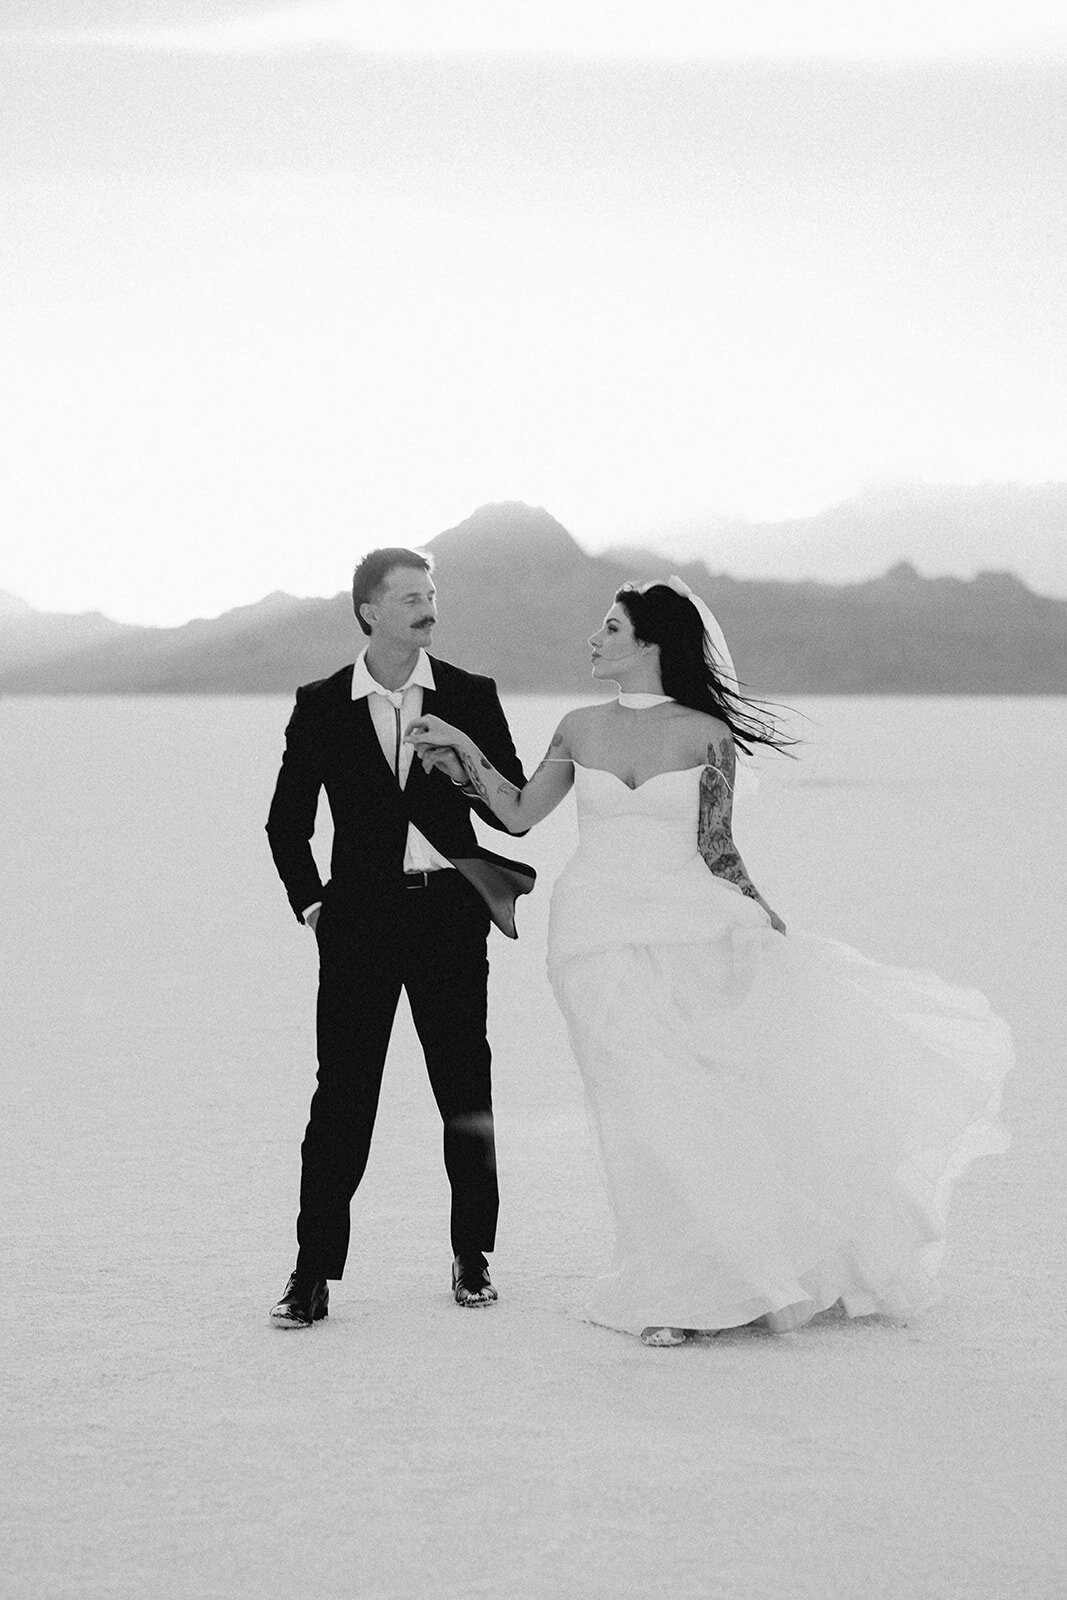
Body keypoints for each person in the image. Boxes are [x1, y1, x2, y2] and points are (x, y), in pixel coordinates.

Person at [407, 577, 1013, 1346]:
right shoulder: (575, 727)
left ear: (651, 643)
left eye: (610, 628)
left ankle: (712, 1284)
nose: (593, 640)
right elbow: (520, 814)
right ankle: (672, 1283)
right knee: (631, 1108)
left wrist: (763, 918)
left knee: (688, 1105)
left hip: (689, 929)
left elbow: (717, 849)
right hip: (592, 934)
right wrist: (460, 751)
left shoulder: (706, 736)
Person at [265, 547, 535, 1328]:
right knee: (342, 1100)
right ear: (369, 611)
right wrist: (313, 906)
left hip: (449, 915)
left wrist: (460, 755)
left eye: (432, 593)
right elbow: (288, 822)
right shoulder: (319, 702)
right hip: (356, 925)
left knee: (464, 1090)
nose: (427, 607)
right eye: (410, 595)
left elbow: (505, 802)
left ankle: (472, 1256)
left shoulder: (468, 693)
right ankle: (311, 1271)